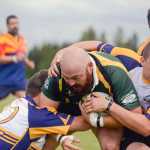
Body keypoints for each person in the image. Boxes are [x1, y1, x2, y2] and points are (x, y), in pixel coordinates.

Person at [43, 47, 141, 150]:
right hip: (68, 105)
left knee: (110, 147)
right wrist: (61, 138)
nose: (71, 83)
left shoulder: (114, 72)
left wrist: (98, 120)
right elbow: (42, 115)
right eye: (66, 78)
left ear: (89, 67)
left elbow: (135, 116)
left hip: (103, 110)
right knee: (44, 141)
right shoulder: (56, 72)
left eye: (76, 77)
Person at [81, 42, 150, 150]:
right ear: (142, 60)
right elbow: (98, 45)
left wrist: (108, 105)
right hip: (130, 132)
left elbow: (147, 128)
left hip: (144, 127)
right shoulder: (128, 63)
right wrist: (62, 53)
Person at [0, 70, 90, 150]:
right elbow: (84, 123)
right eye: (54, 95)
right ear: (44, 93)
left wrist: (62, 138)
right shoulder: (37, 115)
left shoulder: (21, 105)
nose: (59, 101)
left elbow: (45, 128)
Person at [0, 15, 35, 99]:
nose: (15, 26)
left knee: (26, 102)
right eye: (12, 24)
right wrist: (14, 58)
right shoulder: (2, 39)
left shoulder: (21, 39)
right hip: (4, 80)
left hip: (18, 80)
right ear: (7, 25)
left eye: (16, 23)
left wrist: (28, 63)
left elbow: (21, 56)